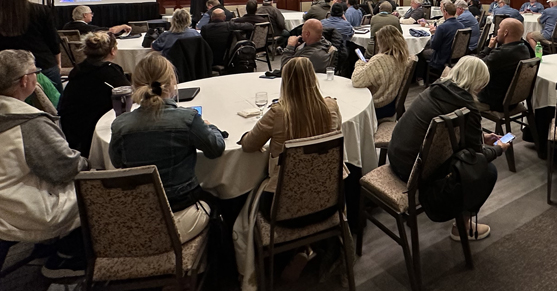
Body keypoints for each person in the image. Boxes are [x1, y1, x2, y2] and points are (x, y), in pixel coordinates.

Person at [0, 50, 89, 277]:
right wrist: (88, 161)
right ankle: (67, 257)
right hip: (26, 210)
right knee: (98, 188)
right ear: (25, 80)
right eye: (35, 72)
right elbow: (66, 169)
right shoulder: (28, 124)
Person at [389, 56, 510, 240]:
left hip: (397, 156)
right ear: (478, 83)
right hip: (415, 173)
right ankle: (463, 226)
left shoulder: (436, 88)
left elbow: (447, 132)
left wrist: (481, 137)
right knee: (486, 171)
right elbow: (476, 157)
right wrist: (499, 148)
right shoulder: (468, 106)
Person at [110, 54, 226, 244]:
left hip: (138, 212)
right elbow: (216, 149)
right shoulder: (187, 118)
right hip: (182, 208)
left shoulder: (120, 124)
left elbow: (116, 162)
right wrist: (210, 126)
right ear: (172, 83)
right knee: (224, 199)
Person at [241, 57, 341, 224]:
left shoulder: (278, 113)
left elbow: (249, 145)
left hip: (283, 209)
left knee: (242, 197)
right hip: (329, 200)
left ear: (285, 82)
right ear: (313, 78)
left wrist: (245, 135)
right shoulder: (331, 106)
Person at [58, 31, 130, 156]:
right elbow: (128, 97)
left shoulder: (77, 70)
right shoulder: (112, 73)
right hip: (94, 132)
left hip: (71, 131)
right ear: (112, 51)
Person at [352, 25, 411, 119]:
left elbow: (356, 80)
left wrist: (360, 63)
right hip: (390, 103)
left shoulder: (380, 60)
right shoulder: (403, 58)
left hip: (376, 106)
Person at [477, 18, 532, 111]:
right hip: (512, 100)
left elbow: (476, 67)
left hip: (494, 101)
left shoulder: (501, 54)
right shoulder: (524, 48)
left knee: (457, 93)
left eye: (499, 28)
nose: (497, 31)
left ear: (505, 33)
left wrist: (489, 48)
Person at [415, 2, 460, 80]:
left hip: (442, 56)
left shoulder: (442, 27)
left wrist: (433, 34)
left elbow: (434, 46)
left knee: (421, 51)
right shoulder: (461, 25)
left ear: (445, 12)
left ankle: (420, 77)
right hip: (456, 55)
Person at [62, 6, 132, 36]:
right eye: (91, 13)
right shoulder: (87, 28)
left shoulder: (66, 27)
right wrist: (123, 26)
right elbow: (111, 31)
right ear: (85, 15)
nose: (92, 15)